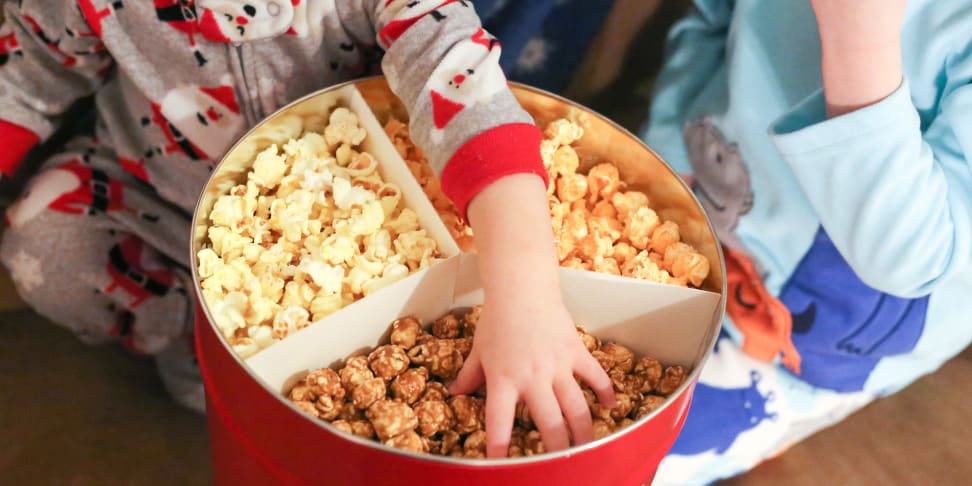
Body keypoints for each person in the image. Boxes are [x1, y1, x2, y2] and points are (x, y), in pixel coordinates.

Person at [0, 0, 614, 456]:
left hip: (347, 225)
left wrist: (527, 295)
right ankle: (192, 338)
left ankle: (246, 362)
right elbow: (23, 78)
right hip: (151, 184)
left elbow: (466, 93)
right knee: (40, 245)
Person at [642, 0, 972, 483]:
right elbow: (711, 21)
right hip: (679, 219)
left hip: (797, 351)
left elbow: (913, 261)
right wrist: (663, 169)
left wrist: (859, 38)